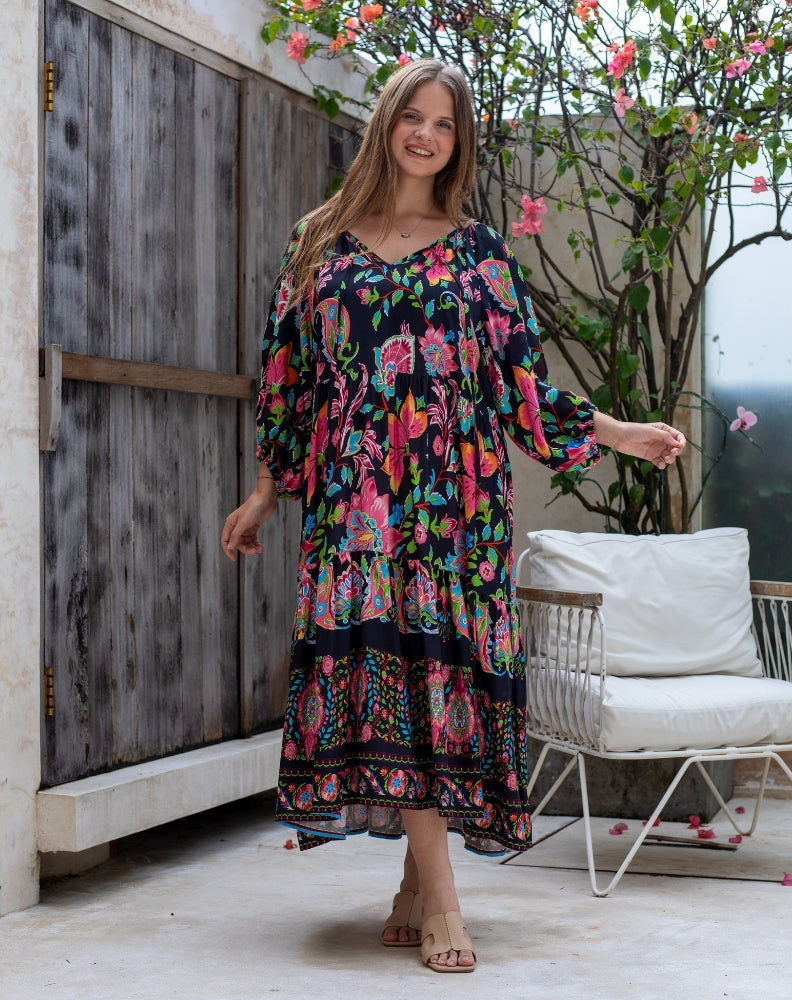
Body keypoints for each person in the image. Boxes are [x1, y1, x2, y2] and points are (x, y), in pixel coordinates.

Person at [221, 59, 685, 974]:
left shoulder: (478, 253)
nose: (425, 134)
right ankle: (433, 892)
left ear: (457, 141)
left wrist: (617, 432)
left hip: (453, 508)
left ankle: (425, 890)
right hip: (356, 510)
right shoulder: (315, 242)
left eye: (443, 123)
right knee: (383, 676)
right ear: (386, 122)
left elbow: (520, 386)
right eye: (411, 116)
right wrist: (268, 489)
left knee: (433, 688)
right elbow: (289, 381)